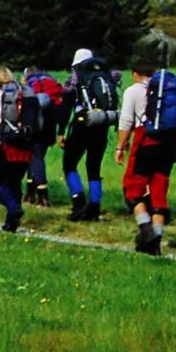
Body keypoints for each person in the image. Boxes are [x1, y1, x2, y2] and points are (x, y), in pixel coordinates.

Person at [115, 58, 176, 256]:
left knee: (132, 190)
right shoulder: (165, 89)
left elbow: (126, 120)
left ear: (135, 74)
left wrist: (120, 146)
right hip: (168, 145)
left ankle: (146, 230)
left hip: (145, 142)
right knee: (159, 190)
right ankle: (156, 244)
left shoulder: (133, 91)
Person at [59, 47, 119, 222]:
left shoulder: (76, 80)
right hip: (102, 124)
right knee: (94, 167)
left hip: (82, 124)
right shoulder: (105, 77)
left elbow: (65, 108)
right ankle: (94, 207)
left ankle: (78, 203)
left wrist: (61, 132)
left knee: (69, 164)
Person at [0, 64, 32, 232]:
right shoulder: (25, 91)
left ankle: (13, 209)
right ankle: (11, 222)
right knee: (15, 181)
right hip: (26, 143)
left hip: (6, 143)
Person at [22, 65, 65, 207]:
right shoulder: (50, 84)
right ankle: (29, 194)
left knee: (35, 157)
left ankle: (42, 196)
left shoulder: (29, 85)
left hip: (34, 127)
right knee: (35, 157)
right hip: (49, 127)